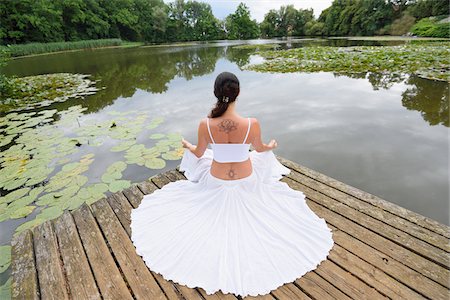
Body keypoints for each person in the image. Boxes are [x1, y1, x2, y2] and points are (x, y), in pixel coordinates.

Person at [130, 71, 335, 297]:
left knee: (205, 159)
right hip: (246, 180)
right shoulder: (251, 124)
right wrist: (271, 145)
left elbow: (199, 153)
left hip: (216, 180)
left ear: (216, 93)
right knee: (263, 158)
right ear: (238, 93)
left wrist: (188, 146)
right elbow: (259, 149)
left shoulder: (205, 124)